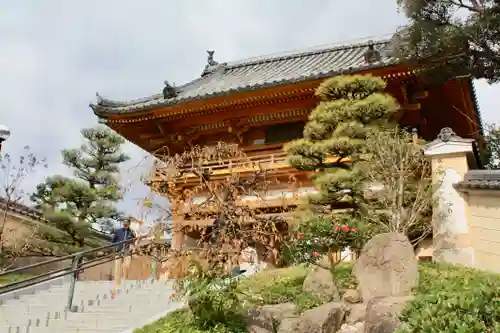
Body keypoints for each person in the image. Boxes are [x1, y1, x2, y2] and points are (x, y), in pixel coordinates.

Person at [111, 220, 136, 286]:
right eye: (124, 224)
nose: (125, 225)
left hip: (127, 252)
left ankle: (124, 280)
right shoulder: (118, 231)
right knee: (117, 267)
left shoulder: (131, 232)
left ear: (129, 224)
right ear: (123, 224)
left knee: (126, 266)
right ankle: (117, 282)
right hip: (118, 251)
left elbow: (134, 242)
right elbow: (113, 241)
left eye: (127, 224)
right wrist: (116, 247)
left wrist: (132, 246)